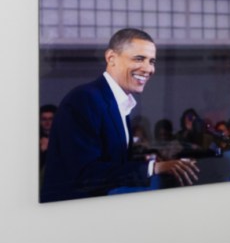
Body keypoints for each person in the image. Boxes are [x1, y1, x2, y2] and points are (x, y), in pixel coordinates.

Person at [40, 28, 199, 202]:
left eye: (152, 61)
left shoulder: (117, 103)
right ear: (111, 58)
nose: (148, 68)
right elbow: (84, 175)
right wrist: (153, 168)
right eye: (139, 59)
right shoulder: (84, 99)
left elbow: (112, 163)